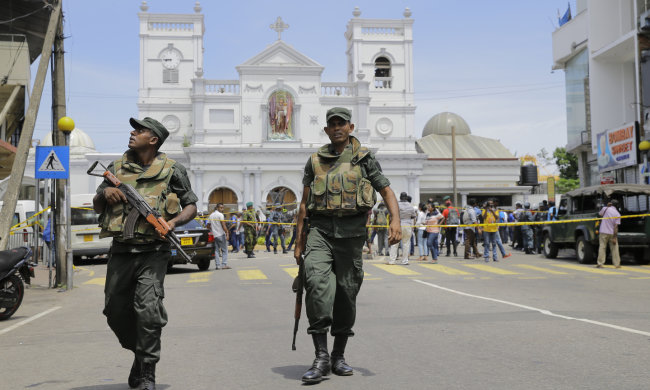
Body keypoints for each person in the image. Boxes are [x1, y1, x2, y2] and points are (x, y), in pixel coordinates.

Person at [294, 107, 401, 384]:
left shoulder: (364, 158)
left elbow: (386, 190)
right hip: (319, 232)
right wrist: (298, 243)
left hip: (352, 235)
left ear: (350, 127)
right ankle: (321, 357)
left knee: (346, 293)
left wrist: (395, 221)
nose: (337, 128)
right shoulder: (315, 161)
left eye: (342, 124)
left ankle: (338, 355)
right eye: (332, 125)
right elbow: (304, 204)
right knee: (316, 285)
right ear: (327, 130)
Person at [93, 117, 198, 390]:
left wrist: (172, 223)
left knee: (148, 311)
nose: (132, 132)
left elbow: (191, 205)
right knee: (115, 311)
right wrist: (108, 194)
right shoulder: (116, 167)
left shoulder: (173, 169)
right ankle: (140, 356)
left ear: (153, 140)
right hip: (121, 251)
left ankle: (147, 372)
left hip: (154, 251)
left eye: (140, 130)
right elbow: (96, 204)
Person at [389, 192, 416, 265]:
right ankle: (405, 261)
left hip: (398, 225)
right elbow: (413, 216)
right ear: (406, 198)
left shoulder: (396, 205)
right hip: (407, 226)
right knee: (406, 244)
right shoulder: (410, 206)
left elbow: (392, 215)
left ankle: (392, 261)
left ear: (400, 197)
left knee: (395, 244)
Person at [597, 199, 621, 268]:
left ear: (610, 204)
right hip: (612, 233)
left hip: (603, 231)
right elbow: (616, 227)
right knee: (615, 248)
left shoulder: (605, 209)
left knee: (602, 247)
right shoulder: (617, 214)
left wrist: (607, 206)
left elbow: (600, 214)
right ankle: (617, 264)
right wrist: (615, 237)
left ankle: (600, 263)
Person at [208, 203, 230, 269]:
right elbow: (223, 225)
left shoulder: (211, 215)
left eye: (223, 208)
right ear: (217, 208)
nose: (222, 209)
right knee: (224, 250)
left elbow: (208, 225)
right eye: (221, 208)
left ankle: (217, 265)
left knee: (216, 250)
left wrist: (212, 230)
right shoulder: (220, 215)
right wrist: (227, 233)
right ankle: (224, 264)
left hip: (214, 235)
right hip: (221, 234)